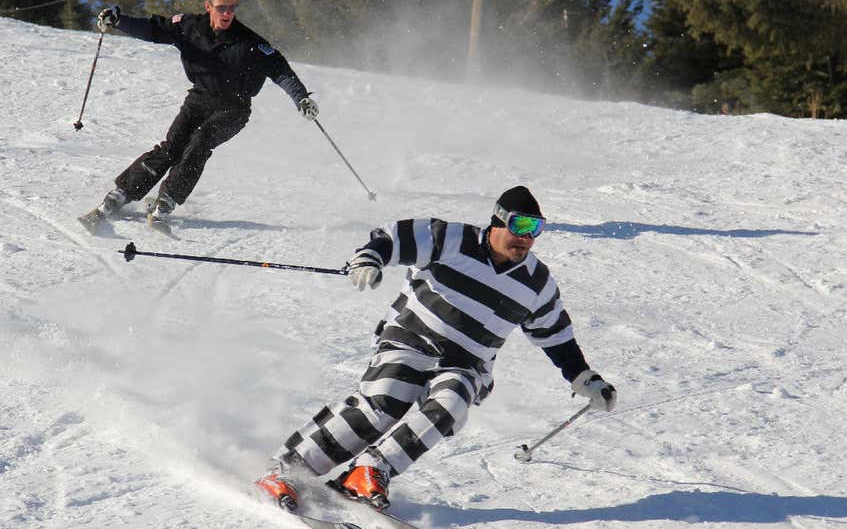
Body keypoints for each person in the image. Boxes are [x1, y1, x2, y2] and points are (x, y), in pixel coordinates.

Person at [255, 186, 618, 512]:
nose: (527, 238)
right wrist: (370, 257)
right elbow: (393, 237)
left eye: (536, 230)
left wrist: (585, 379)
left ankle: (368, 471)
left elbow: (556, 336)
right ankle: (287, 469)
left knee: (452, 403)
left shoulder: (537, 282)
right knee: (385, 400)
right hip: (411, 339)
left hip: (466, 363)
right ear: (498, 221)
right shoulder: (452, 239)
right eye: (520, 226)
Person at [79, 0, 319, 232]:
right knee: (171, 147)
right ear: (209, 6)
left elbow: (280, 70)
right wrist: (119, 21)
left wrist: (300, 97)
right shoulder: (189, 27)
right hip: (200, 97)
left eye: (232, 8)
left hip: (234, 108)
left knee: (200, 142)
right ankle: (121, 195)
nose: (227, 13)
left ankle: (167, 200)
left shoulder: (249, 43)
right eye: (221, 8)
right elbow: (154, 29)